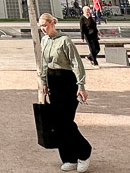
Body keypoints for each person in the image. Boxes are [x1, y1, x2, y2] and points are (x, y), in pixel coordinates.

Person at [38, 13, 92, 172]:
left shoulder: (65, 40)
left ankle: (84, 152)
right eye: (41, 26)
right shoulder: (44, 40)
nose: (43, 29)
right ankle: (69, 158)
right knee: (56, 122)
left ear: (52, 23)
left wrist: (81, 85)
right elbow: (43, 62)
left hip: (67, 81)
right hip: (52, 81)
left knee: (66, 121)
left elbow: (76, 63)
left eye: (45, 25)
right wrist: (44, 82)